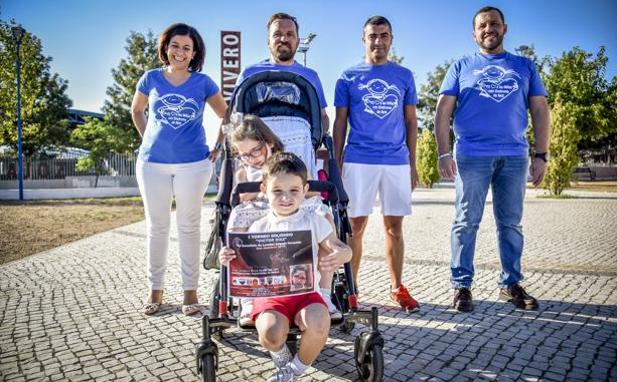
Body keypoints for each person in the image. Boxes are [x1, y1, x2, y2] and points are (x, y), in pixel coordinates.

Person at [435, 6, 550, 312]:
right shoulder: (461, 66)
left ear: (504, 28)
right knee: (465, 221)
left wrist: (541, 154)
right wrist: (444, 152)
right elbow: (443, 110)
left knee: (510, 224)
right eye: (483, 25)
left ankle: (510, 283)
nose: (489, 29)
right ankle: (461, 286)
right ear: (475, 34)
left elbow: (539, 110)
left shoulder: (524, 66)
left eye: (494, 24)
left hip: (514, 156)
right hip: (471, 155)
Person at [220, 152, 352, 382]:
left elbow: (339, 246)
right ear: (264, 189)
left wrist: (342, 253)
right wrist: (227, 256)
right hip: (271, 297)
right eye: (277, 191)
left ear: (304, 189)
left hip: (306, 294)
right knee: (270, 334)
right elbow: (241, 263)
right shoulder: (257, 226)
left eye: (293, 190)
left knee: (321, 323)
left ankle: (292, 371)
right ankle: (281, 358)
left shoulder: (314, 220)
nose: (285, 198)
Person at [131, 23, 227, 316]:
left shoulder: (204, 83)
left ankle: (190, 293)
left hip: (194, 165)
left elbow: (226, 114)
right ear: (166, 47)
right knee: (156, 227)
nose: (180, 52)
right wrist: (148, 138)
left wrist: (218, 145)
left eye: (187, 47)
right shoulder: (150, 78)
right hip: (152, 165)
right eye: (175, 45)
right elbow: (136, 110)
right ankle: (155, 291)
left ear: (194, 52)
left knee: (188, 227)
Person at [333, 16, 420, 312]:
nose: (378, 41)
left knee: (394, 227)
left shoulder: (405, 75)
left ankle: (397, 288)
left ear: (391, 39)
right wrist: (335, 161)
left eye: (383, 35)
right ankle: (351, 290)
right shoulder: (348, 77)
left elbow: (411, 121)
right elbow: (340, 122)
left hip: (396, 161)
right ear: (364, 40)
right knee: (354, 227)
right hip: (358, 159)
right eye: (372, 36)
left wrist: (413, 163)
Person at [227, 115, 343, 322]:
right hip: (261, 211)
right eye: (244, 155)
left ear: (269, 142)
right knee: (238, 218)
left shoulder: (288, 162)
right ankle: (248, 301)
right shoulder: (243, 171)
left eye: (255, 150)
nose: (251, 158)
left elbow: (309, 190)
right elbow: (242, 197)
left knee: (322, 214)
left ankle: (324, 295)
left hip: (293, 204)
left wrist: (288, 189)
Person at [237, 12, 329, 133]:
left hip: (300, 149)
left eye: (290, 34)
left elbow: (322, 117)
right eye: (277, 34)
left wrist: (314, 141)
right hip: (259, 149)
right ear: (268, 41)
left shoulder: (311, 76)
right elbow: (234, 115)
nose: (284, 39)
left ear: (297, 41)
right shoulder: (249, 74)